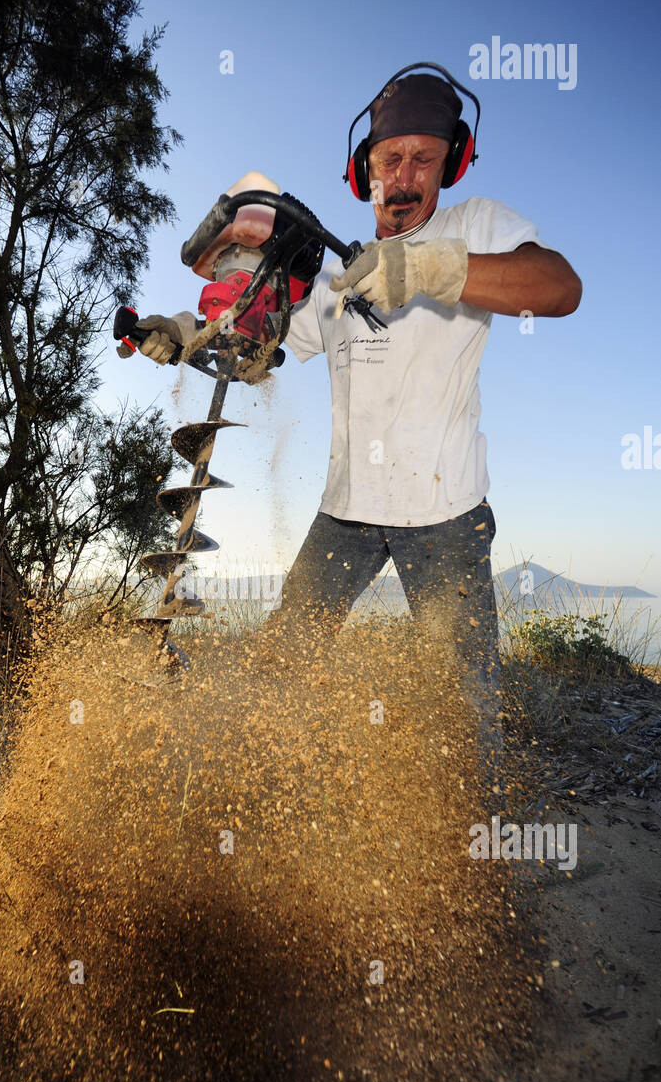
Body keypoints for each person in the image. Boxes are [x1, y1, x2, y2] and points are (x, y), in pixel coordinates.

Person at [124, 68, 582, 798]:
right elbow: (255, 348)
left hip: (446, 515)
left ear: (452, 163)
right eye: (388, 159)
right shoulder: (332, 275)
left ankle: (473, 853)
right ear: (360, 169)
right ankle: (258, 801)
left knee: (463, 711)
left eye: (422, 159)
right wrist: (188, 333)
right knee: (282, 664)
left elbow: (559, 288)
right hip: (345, 513)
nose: (403, 177)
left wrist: (433, 268)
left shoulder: (474, 228)